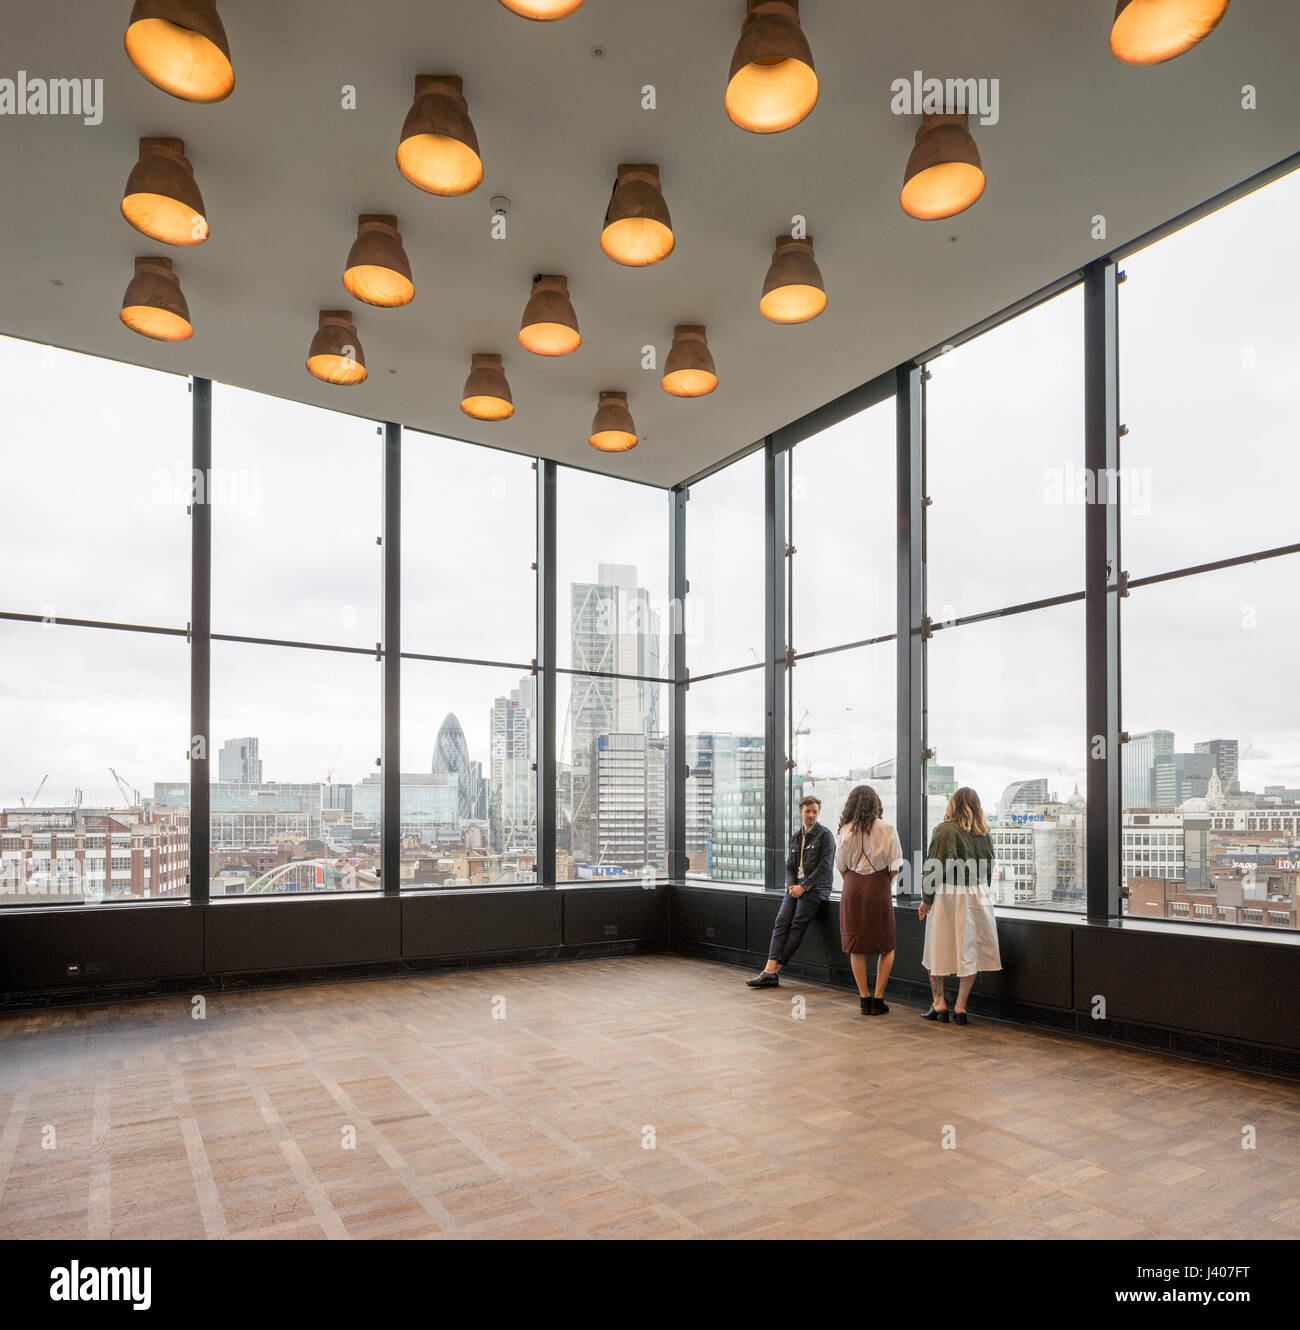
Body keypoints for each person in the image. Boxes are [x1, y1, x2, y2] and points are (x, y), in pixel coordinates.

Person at [918, 786, 1001, 1025]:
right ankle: (961, 1008)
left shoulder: (946, 830)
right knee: (970, 952)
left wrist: (926, 900)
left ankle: (939, 1004)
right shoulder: (984, 832)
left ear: (953, 804)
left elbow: (934, 867)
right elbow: (988, 868)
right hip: (977, 895)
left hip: (949, 895)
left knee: (937, 948)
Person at [747, 795, 835, 988]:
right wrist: (792, 885)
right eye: (808, 811)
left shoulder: (825, 835)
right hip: (794, 887)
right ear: (800, 812)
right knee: (781, 922)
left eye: (814, 812)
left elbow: (825, 867)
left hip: (816, 888)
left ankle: (771, 972)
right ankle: (769, 970)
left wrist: (803, 886)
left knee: (796, 925)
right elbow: (789, 865)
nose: (811, 815)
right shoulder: (796, 837)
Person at [835, 785, 903, 1015]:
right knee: (887, 944)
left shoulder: (845, 830)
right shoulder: (888, 828)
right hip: (879, 887)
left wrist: (853, 881)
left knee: (856, 944)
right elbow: (896, 866)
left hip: (851, 887)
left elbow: (841, 866)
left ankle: (864, 998)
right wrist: (883, 885)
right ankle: (878, 998)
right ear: (876, 803)